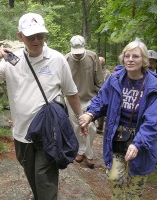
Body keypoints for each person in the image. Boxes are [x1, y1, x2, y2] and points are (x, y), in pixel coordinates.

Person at [0, 13, 87, 200]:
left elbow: (70, 92)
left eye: (40, 35)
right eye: (31, 36)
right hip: (22, 133)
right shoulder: (11, 60)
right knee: (32, 174)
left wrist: (80, 117)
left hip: (49, 131)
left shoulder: (57, 59)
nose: (36, 40)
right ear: (20, 36)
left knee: (43, 177)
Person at [79, 39, 157, 199]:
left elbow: (153, 121)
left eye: (135, 56)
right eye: (127, 56)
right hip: (118, 136)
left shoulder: (153, 86)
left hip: (142, 141)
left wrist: (138, 143)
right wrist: (90, 114)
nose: (130, 59)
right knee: (115, 178)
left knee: (135, 186)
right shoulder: (115, 79)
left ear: (143, 60)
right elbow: (101, 99)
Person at [65, 35, 104, 168]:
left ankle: (89, 154)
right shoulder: (66, 59)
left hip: (90, 98)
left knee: (91, 127)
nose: (77, 54)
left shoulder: (93, 57)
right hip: (72, 98)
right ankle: (80, 151)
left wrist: (101, 96)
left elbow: (99, 78)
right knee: (76, 126)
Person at [96, 56, 111, 134]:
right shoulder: (95, 70)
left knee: (102, 109)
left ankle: (100, 127)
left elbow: (109, 83)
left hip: (103, 93)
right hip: (95, 92)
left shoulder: (107, 72)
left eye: (100, 62)